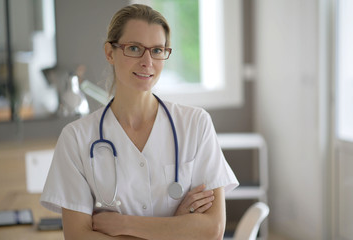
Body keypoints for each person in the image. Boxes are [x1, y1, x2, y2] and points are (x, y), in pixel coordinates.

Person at [40, 4, 238, 240]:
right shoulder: (76, 139)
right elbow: (77, 236)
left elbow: (212, 230)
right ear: (110, 52)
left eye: (157, 50)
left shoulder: (196, 124)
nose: (147, 61)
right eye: (134, 48)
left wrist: (124, 224)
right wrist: (177, 227)